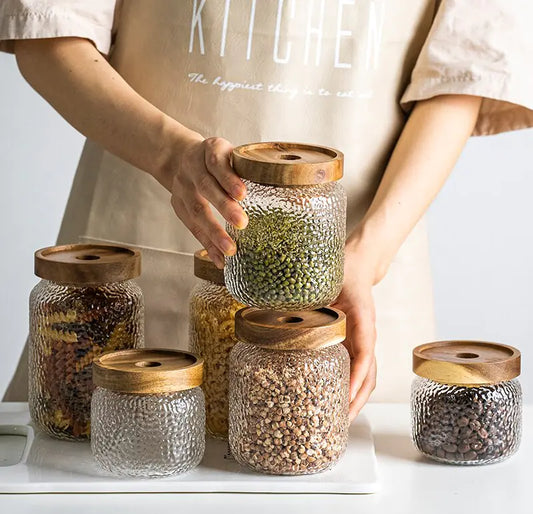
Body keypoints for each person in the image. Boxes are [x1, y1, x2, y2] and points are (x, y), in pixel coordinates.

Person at [1, 1, 532, 418]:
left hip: (357, 273)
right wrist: (168, 155)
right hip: (133, 269)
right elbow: (47, 30)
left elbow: (467, 74)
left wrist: (367, 257)